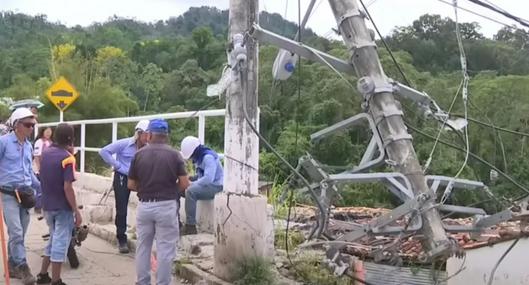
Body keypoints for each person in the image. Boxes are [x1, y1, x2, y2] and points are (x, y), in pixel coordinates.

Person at [128, 119, 190, 285]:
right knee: (165, 249)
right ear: (166, 135)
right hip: (167, 206)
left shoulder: (138, 155)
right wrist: (170, 191)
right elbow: (184, 184)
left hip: (145, 206)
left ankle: (143, 282)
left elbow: (131, 184)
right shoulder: (175, 155)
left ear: (149, 135)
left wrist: (144, 189)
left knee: (143, 247)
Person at [36, 123, 81, 285]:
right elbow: (68, 187)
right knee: (60, 243)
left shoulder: (46, 152)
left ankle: (42, 275)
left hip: (47, 205)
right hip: (62, 207)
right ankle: (56, 280)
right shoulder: (68, 158)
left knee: (53, 239)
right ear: (71, 139)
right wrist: (76, 210)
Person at [0, 107, 40, 284]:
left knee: (20, 234)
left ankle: (11, 265)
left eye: (33, 125)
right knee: (15, 232)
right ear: (17, 125)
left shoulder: (29, 146)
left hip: (26, 195)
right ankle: (23, 267)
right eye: (28, 125)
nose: (31, 128)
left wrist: (43, 187)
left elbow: (29, 172)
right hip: (9, 194)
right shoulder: (3, 142)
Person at [98, 119, 149, 253]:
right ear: (139, 133)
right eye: (146, 134)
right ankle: (122, 238)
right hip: (123, 176)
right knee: (121, 207)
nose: (148, 137)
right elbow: (104, 151)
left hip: (140, 178)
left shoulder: (149, 148)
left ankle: (143, 233)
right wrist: (118, 166)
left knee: (147, 204)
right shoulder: (125, 144)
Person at [180, 136, 223, 235]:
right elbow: (201, 176)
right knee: (182, 188)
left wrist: (191, 183)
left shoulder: (208, 157)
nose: (190, 158)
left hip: (216, 186)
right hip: (209, 185)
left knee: (191, 192)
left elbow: (208, 178)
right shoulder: (201, 157)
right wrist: (190, 179)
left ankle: (190, 226)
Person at [33, 127, 53, 213]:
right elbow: (37, 157)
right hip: (40, 169)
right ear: (43, 132)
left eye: (50, 131)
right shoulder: (39, 142)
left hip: (48, 168)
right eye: (47, 131)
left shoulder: (50, 143)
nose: (48, 133)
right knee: (40, 188)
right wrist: (39, 169)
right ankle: (38, 206)